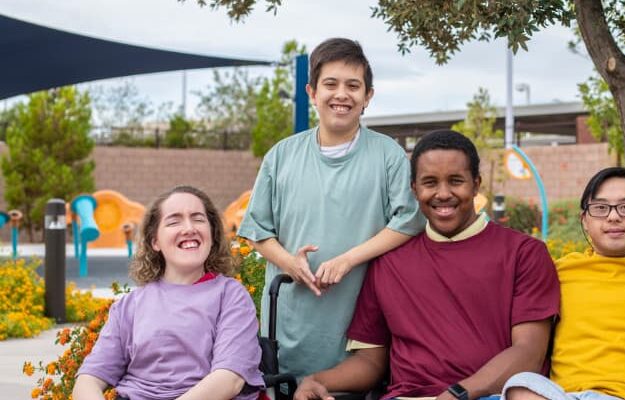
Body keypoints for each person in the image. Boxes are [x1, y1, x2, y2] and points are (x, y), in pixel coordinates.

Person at [295, 130, 560, 400]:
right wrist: (317, 380)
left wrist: (458, 394)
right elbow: (371, 362)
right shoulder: (389, 262)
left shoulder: (524, 253)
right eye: (430, 182)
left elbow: (529, 353)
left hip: (489, 396)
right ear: (414, 189)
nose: (443, 194)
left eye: (456, 181)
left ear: (476, 184)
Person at [238, 38, 424, 377]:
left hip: (360, 321)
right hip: (289, 317)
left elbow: (409, 221)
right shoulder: (281, 156)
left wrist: (348, 259)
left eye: (353, 86)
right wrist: (290, 263)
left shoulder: (388, 156)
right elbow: (257, 231)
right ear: (312, 92)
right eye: (331, 84)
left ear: (368, 96)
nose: (342, 94)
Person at [73, 186, 264, 400]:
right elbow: (89, 378)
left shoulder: (230, 296)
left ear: (212, 235)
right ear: (155, 241)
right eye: (174, 221)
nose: (189, 228)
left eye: (198, 219)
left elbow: (229, 379)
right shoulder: (131, 304)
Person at [502, 167, 625, 400]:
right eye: (600, 208)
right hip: (566, 395)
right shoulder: (558, 271)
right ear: (585, 220)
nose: (613, 217)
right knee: (519, 385)